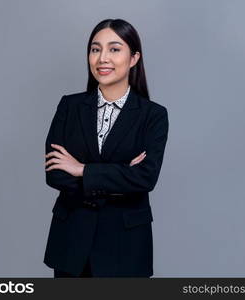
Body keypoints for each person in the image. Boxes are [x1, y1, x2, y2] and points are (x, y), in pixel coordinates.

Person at [43, 18, 169, 277]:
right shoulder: (70, 107)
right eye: (95, 49)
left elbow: (145, 178)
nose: (102, 58)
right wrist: (121, 175)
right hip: (71, 243)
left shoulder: (153, 116)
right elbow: (55, 173)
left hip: (126, 247)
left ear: (133, 58)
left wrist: (82, 170)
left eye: (114, 49)